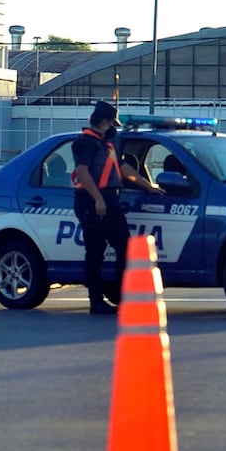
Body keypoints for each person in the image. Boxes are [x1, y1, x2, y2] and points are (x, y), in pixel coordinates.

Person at [71, 100, 160, 314]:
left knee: (125, 247)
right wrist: (98, 199)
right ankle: (96, 301)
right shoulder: (86, 143)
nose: (113, 127)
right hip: (92, 201)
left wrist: (148, 187)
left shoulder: (106, 143)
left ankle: (123, 296)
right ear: (102, 122)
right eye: (111, 123)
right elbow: (83, 172)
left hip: (110, 200)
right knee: (95, 251)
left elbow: (123, 167)